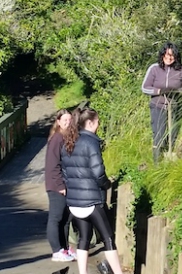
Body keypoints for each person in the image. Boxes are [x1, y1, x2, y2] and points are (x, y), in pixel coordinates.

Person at [60, 107, 124, 274]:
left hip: (74, 202)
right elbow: (98, 172)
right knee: (108, 237)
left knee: (84, 238)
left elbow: (65, 175)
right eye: (97, 122)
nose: (98, 125)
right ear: (89, 123)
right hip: (92, 201)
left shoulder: (67, 142)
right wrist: (106, 184)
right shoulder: (91, 143)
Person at [140, 42, 182, 163]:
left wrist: (177, 91)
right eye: (166, 55)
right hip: (158, 106)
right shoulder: (154, 69)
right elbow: (145, 87)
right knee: (159, 135)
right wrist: (159, 90)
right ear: (162, 55)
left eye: (172, 55)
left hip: (176, 107)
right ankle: (157, 163)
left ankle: (169, 159)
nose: (169, 58)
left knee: (173, 135)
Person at [45, 109, 77, 262]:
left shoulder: (65, 137)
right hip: (56, 185)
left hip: (64, 183)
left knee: (65, 219)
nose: (67, 122)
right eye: (64, 120)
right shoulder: (57, 138)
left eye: (69, 120)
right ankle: (56, 250)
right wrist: (59, 185)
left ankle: (64, 248)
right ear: (58, 121)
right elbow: (52, 164)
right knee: (55, 217)